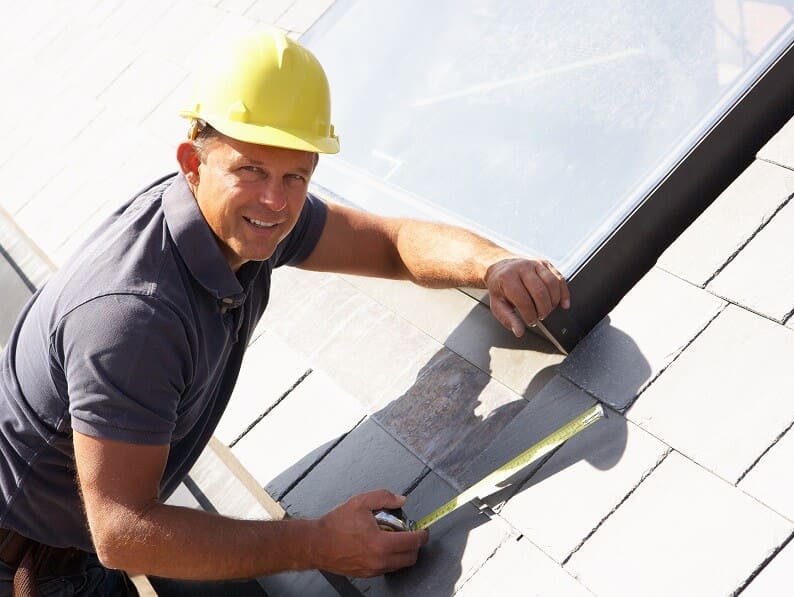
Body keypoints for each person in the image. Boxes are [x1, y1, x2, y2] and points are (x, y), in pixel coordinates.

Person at [0, 30, 570, 595]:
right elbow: (124, 533)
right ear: (192, 163)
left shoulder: (240, 223)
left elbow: (390, 243)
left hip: (70, 540)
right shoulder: (136, 317)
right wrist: (317, 542)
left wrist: (494, 266)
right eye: (250, 170)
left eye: (295, 175)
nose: (275, 201)